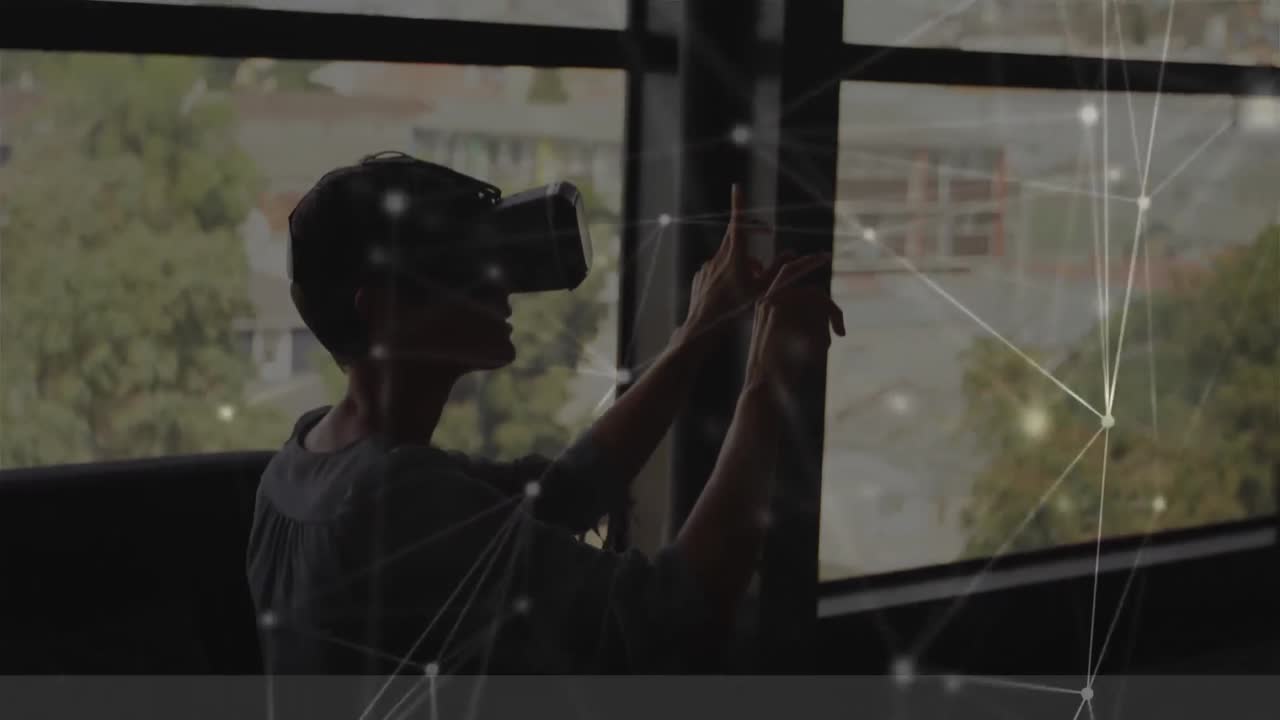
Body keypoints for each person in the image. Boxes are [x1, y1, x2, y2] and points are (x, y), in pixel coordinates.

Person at [245, 152, 844, 677]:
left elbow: (564, 495)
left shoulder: (302, 465)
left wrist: (696, 334)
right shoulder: (390, 499)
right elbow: (674, 621)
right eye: (469, 264)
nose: (504, 285)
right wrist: (770, 383)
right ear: (383, 310)